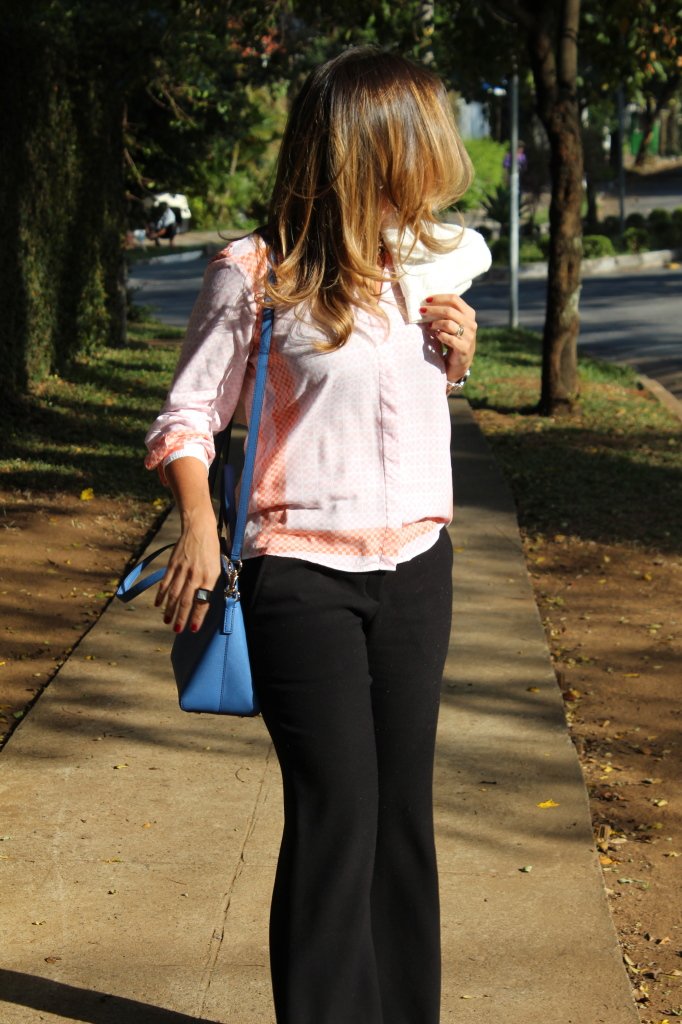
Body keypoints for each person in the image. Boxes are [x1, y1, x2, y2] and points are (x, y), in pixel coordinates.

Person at [144, 46, 477, 1024]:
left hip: (418, 568)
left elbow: (403, 409)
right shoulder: (257, 272)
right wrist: (199, 525)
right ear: (373, 146)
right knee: (339, 813)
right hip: (301, 582)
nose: (440, 157)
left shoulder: (419, 266)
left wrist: (452, 360)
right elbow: (185, 416)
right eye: (423, 136)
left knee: (402, 818)